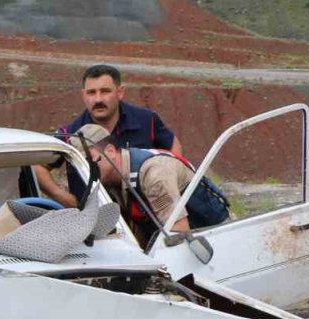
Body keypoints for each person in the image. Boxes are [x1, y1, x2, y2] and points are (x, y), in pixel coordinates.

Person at [36, 64, 183, 208]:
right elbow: (38, 166)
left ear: (120, 92)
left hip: (145, 215)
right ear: (83, 95)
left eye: (105, 91)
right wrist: (66, 199)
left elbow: (172, 145)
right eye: (91, 92)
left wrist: (171, 182)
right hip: (93, 220)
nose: (98, 99)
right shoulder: (70, 134)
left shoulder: (146, 120)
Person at [82, 124, 217, 246]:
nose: (86, 168)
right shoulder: (116, 178)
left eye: (89, 160)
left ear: (110, 151)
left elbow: (179, 234)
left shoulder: (153, 174)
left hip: (216, 240)